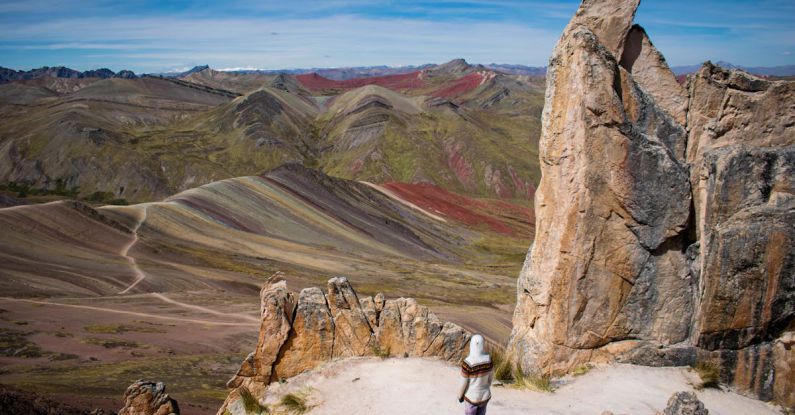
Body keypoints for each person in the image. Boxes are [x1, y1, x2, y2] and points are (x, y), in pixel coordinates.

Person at [457, 334, 493, 415]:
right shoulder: (489, 359)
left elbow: (463, 383)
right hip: (484, 396)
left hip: (471, 398)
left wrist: (460, 396)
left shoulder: (468, 362)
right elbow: (490, 380)